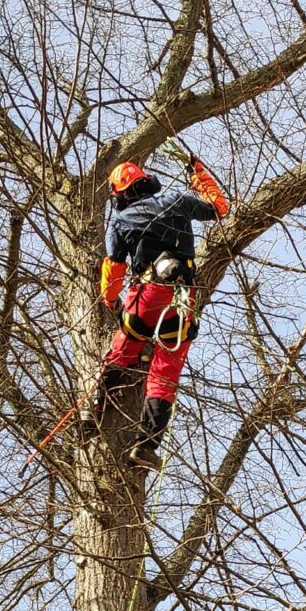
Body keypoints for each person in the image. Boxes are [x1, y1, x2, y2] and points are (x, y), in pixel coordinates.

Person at [91, 144, 229, 472]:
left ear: (121, 194)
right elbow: (219, 208)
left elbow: (114, 269)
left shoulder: (122, 221)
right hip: (182, 298)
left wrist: (109, 301)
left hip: (148, 293)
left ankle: (96, 404)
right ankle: (147, 444)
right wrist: (199, 174)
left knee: (124, 348)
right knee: (165, 372)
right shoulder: (177, 201)